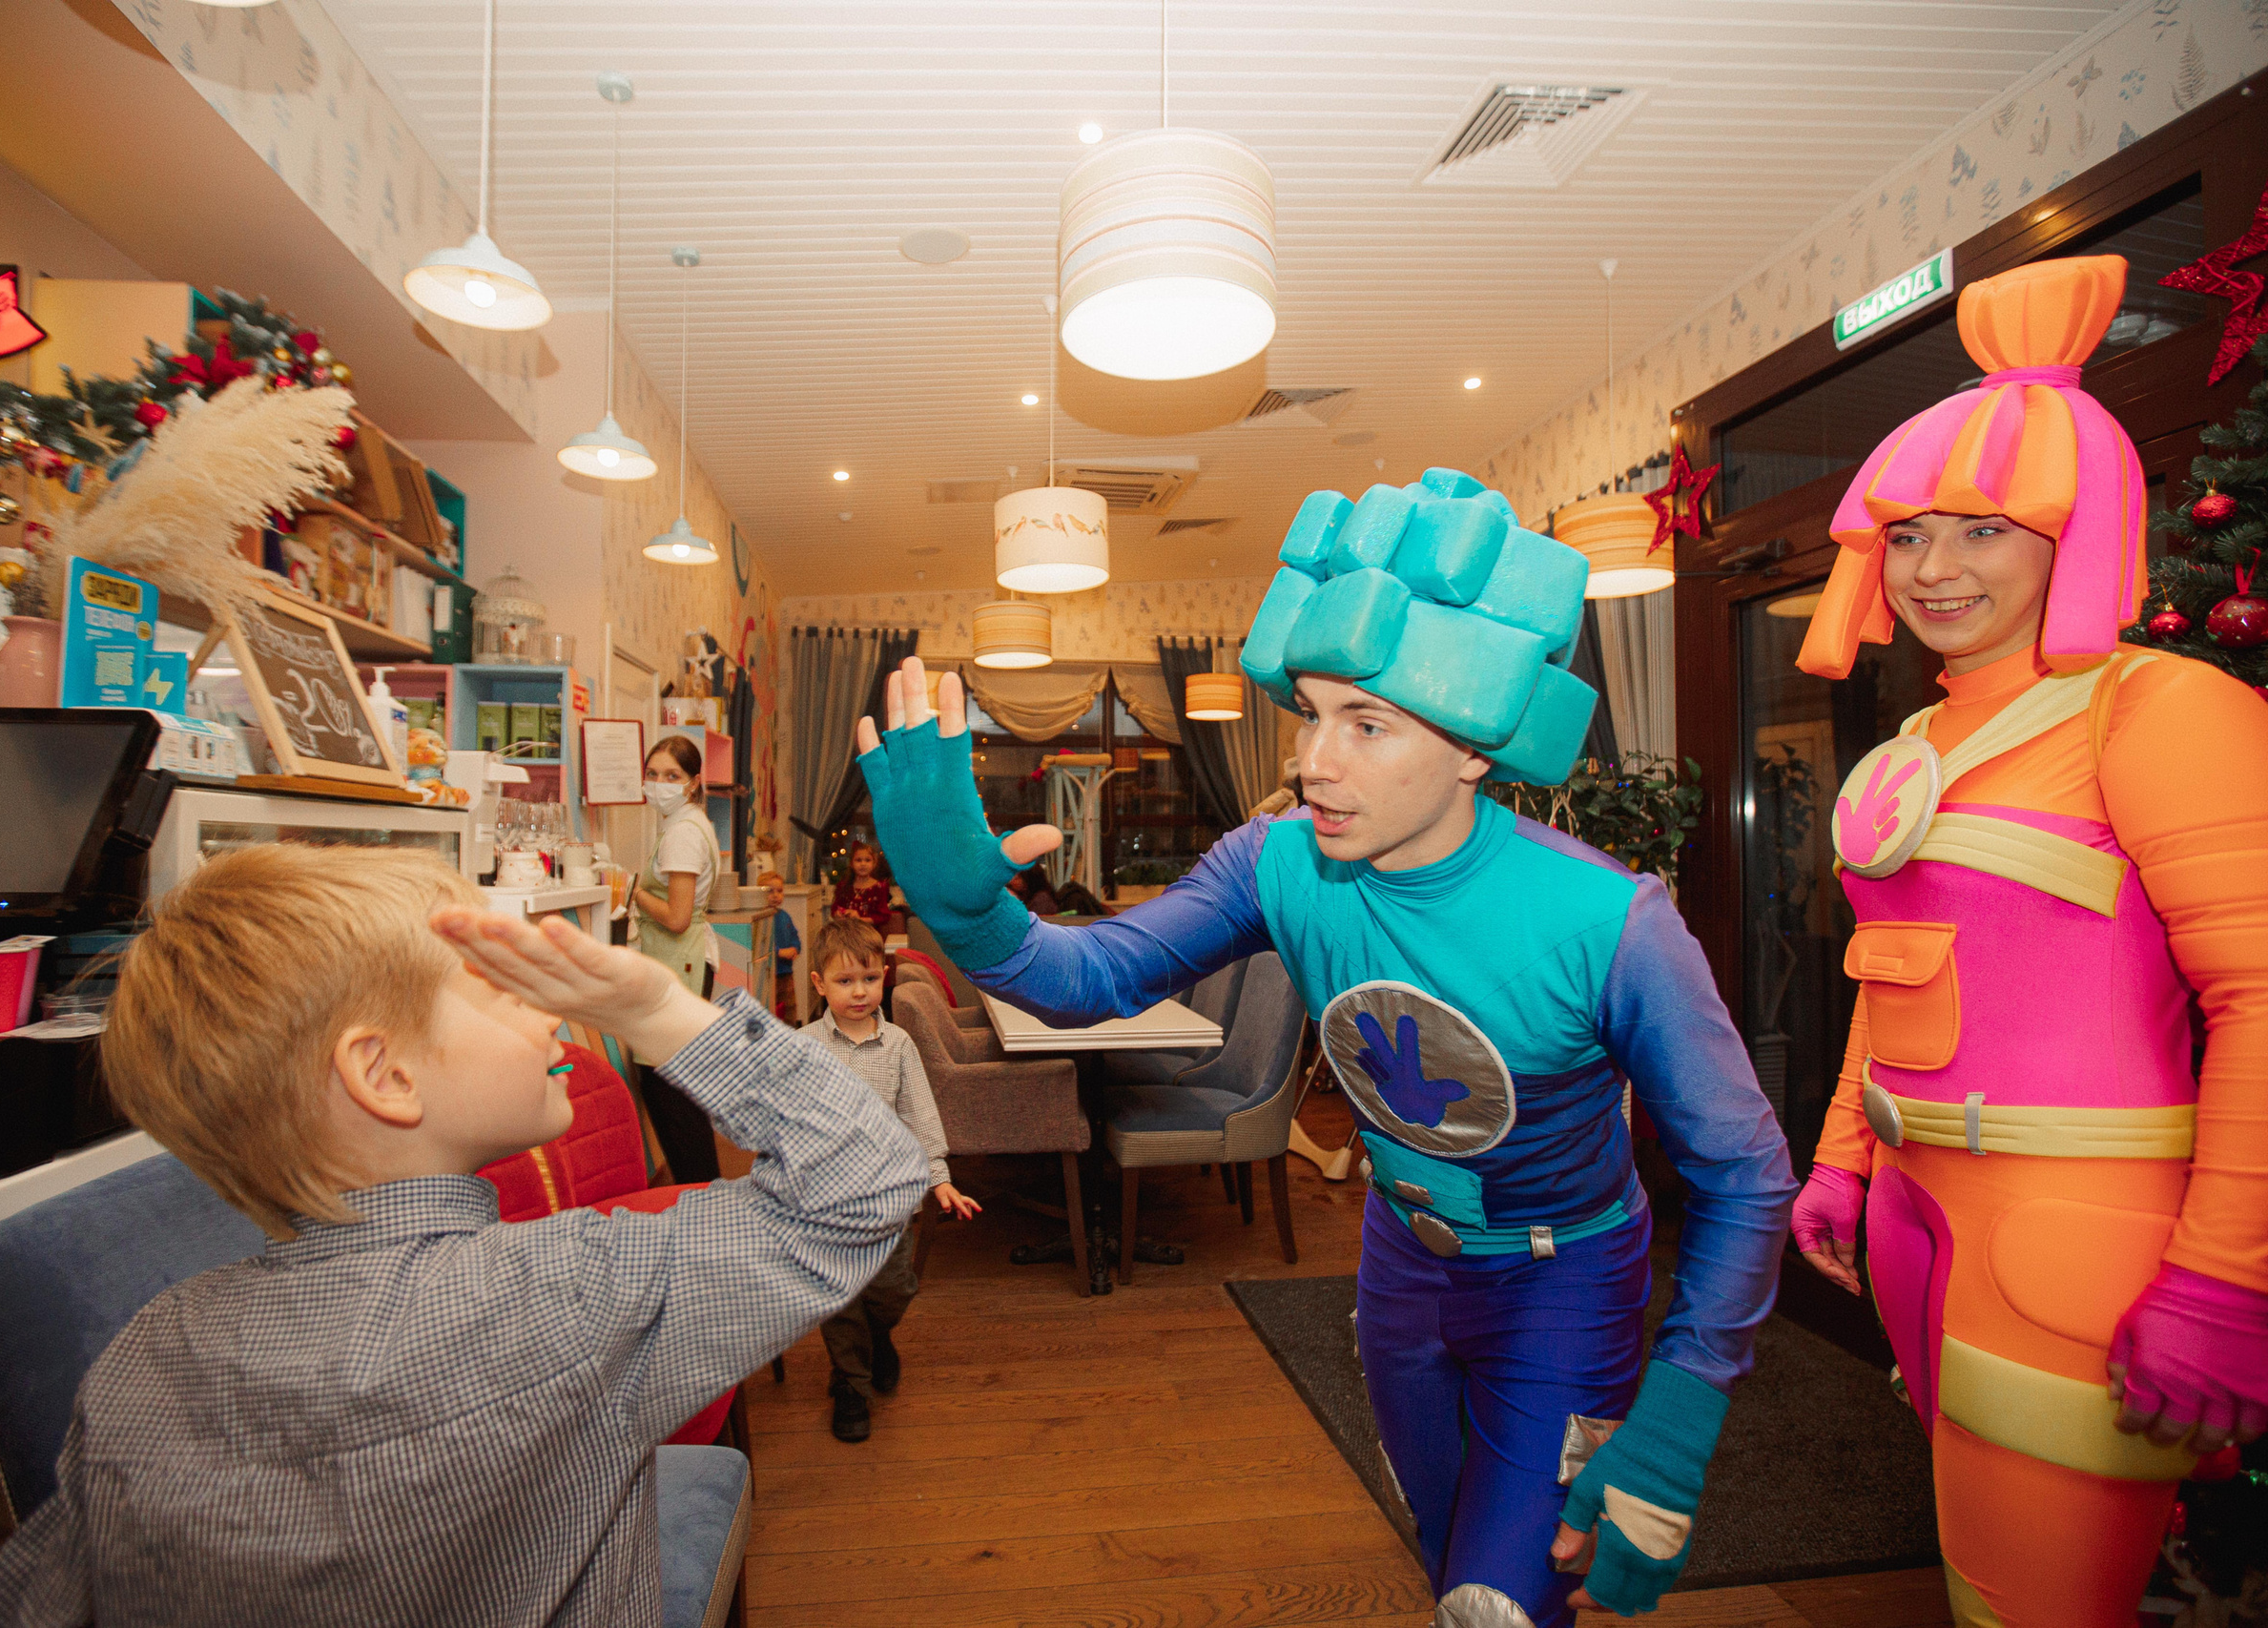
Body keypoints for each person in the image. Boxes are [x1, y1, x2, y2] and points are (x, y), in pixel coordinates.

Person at [855, 465, 1796, 1627]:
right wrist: (965, 910)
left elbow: (1744, 1171)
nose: (1313, 761)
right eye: (1310, 712)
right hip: (1399, 1270)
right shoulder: (1277, 862)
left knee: (1500, 1605)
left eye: (1367, 723)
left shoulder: (1609, 921)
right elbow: (1083, 980)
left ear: (1473, 747)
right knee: (1441, 1554)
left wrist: (1686, 1406)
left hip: (1562, 1284)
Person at [0, 842, 925, 1628]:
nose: (548, 1009)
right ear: (385, 1075)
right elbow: (868, 1181)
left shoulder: (140, 1358)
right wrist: (653, 1010)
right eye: (500, 986)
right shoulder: (575, 1294)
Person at [1785, 255, 2268, 1628]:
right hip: (1917, 1218)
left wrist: (2227, 1278)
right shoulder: (1920, 736)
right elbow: (1893, 971)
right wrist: (1843, 1157)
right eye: (1910, 533)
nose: (1934, 568)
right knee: (1976, 1570)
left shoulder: (2158, 708)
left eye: (1984, 529)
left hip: (2074, 1237)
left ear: (2077, 529)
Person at [802, 917, 981, 1442]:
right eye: (844, 981)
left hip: (891, 1203)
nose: (859, 992)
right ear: (819, 984)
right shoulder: (804, 1046)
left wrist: (939, 1178)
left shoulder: (900, 1044)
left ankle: (878, 1336)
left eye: (868, 979)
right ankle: (851, 1385)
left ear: (884, 977)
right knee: (839, 1299)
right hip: (828, 1206)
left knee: (892, 1289)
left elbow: (919, 1113)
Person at [627, 734, 724, 1182]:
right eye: (652, 774)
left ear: (693, 782)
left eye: (672, 775)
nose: (659, 783)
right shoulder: (687, 823)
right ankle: (702, 1193)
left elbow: (678, 917)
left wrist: (632, 891)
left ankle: (702, 1194)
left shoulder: (682, 834)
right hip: (682, 961)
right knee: (676, 1089)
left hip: (679, 960)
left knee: (671, 1093)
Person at [829, 839, 896, 934]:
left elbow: (884, 916)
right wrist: (838, 914)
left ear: (874, 863)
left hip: (869, 935)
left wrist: (860, 919)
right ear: (851, 863)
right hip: (846, 934)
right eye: (858, 860)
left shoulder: (879, 887)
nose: (863, 864)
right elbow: (835, 908)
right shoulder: (843, 886)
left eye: (867, 860)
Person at [762, 874, 802, 1023]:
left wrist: (795, 948)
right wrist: (778, 952)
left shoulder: (784, 916)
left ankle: (790, 1031)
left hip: (786, 973)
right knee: (770, 1009)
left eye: (779, 891)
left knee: (789, 1007)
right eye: (770, 891)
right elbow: (762, 943)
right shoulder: (762, 918)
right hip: (769, 973)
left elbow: (794, 936)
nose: (775, 895)